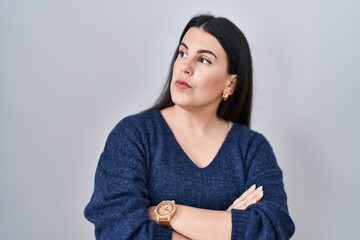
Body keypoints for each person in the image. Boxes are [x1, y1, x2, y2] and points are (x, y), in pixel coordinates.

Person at [84, 14, 295, 239]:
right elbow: (119, 230)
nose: (185, 66)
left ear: (230, 83)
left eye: (204, 60)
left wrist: (165, 213)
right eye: (182, 53)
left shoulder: (252, 148)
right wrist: (223, 227)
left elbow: (272, 228)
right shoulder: (133, 135)